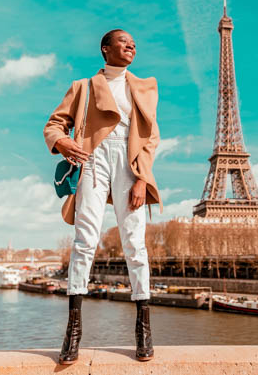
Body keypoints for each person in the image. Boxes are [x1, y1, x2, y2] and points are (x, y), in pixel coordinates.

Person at [43, 29, 161, 364]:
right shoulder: (82, 87)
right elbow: (54, 124)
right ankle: (74, 330)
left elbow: (150, 138)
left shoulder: (144, 87)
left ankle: (143, 327)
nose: (131, 46)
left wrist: (142, 177)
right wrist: (62, 142)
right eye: (123, 42)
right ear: (105, 49)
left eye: (134, 43)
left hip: (129, 162)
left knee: (135, 243)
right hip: (92, 160)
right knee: (84, 240)